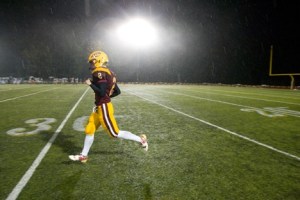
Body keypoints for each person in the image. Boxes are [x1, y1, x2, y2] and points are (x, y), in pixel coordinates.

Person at [69, 51, 148, 163]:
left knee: (115, 133)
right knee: (90, 129)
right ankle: (84, 155)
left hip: (104, 107)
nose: (91, 64)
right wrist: (105, 95)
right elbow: (117, 91)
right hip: (100, 107)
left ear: (99, 60)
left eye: (93, 61)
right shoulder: (110, 72)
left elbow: (101, 92)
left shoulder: (99, 71)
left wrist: (90, 84)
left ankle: (141, 140)